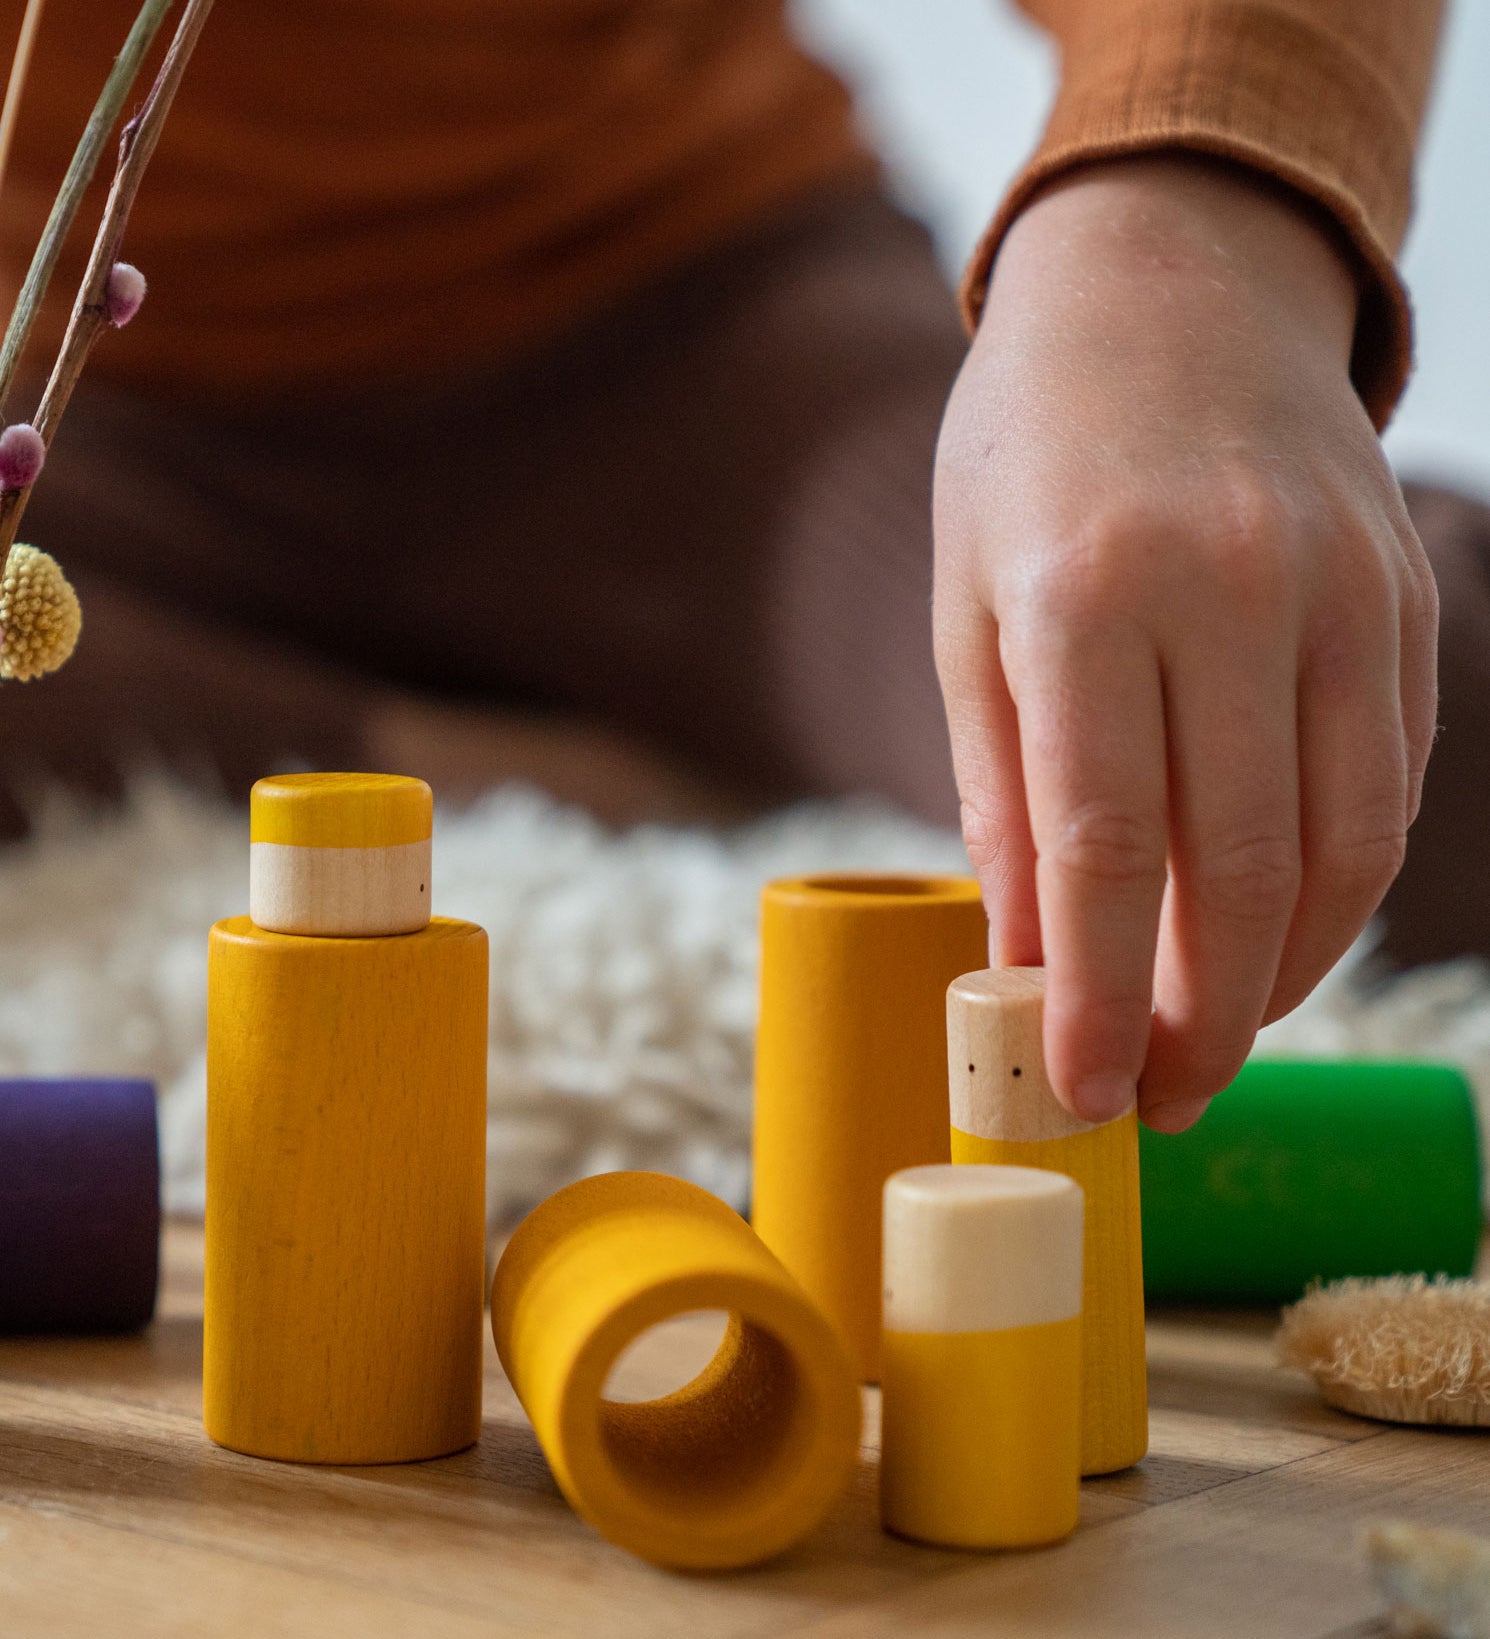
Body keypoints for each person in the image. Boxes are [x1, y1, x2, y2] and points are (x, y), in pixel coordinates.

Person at [0, 0, 1461, 1131]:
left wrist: (1180, 241)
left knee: (1338, 703)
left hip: (682, 309)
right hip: (67, 436)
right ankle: (502, 763)